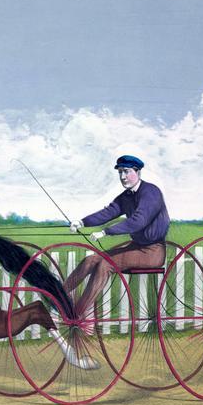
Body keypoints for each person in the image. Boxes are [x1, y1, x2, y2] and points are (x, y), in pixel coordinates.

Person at [64, 155, 170, 365]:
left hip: (152, 251)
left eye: (127, 171)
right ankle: (58, 294)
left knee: (105, 265)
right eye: (120, 172)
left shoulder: (151, 192)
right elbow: (109, 212)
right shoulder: (126, 196)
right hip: (136, 246)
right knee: (92, 259)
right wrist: (82, 222)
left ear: (137, 172)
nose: (123, 176)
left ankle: (78, 313)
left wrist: (106, 232)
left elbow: (139, 221)